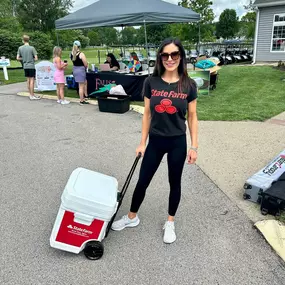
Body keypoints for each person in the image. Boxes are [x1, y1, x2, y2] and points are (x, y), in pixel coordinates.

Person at [111, 38, 198, 244]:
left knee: (174, 183)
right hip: (156, 140)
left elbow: (193, 117)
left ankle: (170, 221)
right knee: (142, 181)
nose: (170, 59)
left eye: (174, 54)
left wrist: (194, 145)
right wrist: (142, 142)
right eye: (165, 55)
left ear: (181, 57)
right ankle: (132, 217)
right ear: (160, 57)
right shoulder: (151, 82)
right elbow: (147, 114)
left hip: (177, 141)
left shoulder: (189, 85)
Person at [16, 35, 40, 100]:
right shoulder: (32, 48)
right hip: (31, 66)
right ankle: (32, 95)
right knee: (32, 80)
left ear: (23, 40)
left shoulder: (20, 48)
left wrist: (23, 58)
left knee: (28, 80)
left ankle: (30, 94)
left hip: (25, 66)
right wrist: (31, 58)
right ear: (28, 40)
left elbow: (17, 58)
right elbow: (36, 58)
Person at [70, 40, 89, 105]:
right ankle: (81, 100)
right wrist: (86, 67)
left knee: (81, 84)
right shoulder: (81, 54)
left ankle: (83, 97)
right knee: (81, 86)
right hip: (81, 70)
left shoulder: (71, 54)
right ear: (79, 46)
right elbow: (85, 64)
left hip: (75, 69)